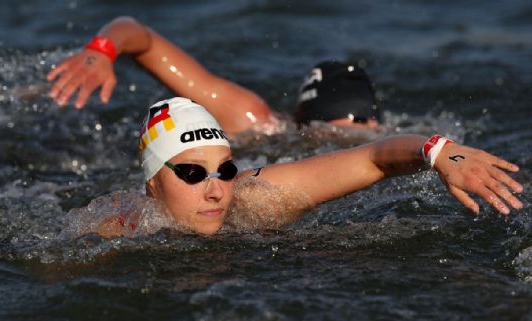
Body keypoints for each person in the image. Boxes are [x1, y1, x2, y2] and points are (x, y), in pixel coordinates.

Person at [88, 97, 522, 237]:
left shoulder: (255, 199)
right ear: (151, 184)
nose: (217, 190)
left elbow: (373, 157)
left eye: (224, 170)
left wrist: (440, 151)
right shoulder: (114, 230)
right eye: (192, 173)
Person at [46, 16, 380, 135]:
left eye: (366, 128)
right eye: (335, 135)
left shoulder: (389, 141)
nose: (356, 139)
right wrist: (100, 50)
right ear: (303, 124)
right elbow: (139, 36)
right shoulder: (253, 120)